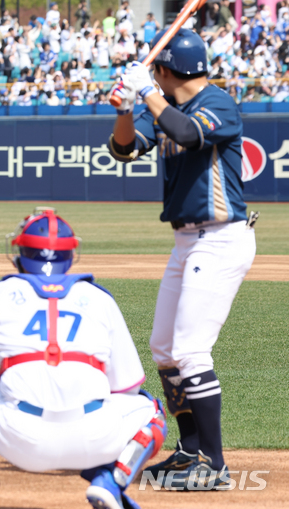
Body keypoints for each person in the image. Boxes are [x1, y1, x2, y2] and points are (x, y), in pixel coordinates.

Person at [0, 207, 168, 509]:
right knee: (151, 409)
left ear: (20, 251)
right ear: (70, 255)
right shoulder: (100, 298)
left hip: (19, 438)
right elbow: (128, 385)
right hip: (94, 439)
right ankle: (113, 481)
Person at [108, 28, 257, 490]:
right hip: (187, 243)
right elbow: (124, 150)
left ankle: (213, 464)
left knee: (191, 351)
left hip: (221, 239)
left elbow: (186, 133)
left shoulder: (218, 104)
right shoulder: (167, 105)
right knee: (165, 350)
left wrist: (148, 91)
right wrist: (127, 110)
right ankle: (189, 451)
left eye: (157, 71)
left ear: (166, 70)